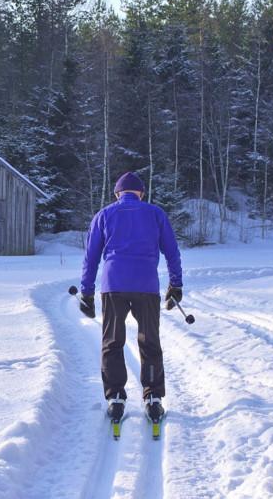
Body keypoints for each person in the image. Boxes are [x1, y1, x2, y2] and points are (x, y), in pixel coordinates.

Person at [78, 171, 183, 425]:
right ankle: (153, 398)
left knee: (112, 341)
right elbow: (172, 251)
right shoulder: (156, 214)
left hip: (113, 285)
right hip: (146, 286)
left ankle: (115, 397)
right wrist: (176, 285)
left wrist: (87, 292)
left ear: (117, 194)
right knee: (149, 341)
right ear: (141, 194)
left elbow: (91, 257)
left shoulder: (104, 215)